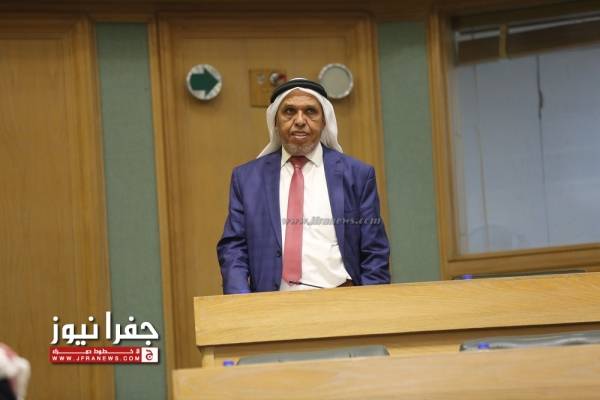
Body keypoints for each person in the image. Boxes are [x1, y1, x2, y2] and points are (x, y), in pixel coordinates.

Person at [217, 78, 390, 294]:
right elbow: (233, 248)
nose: (300, 120)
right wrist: (240, 302)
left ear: (324, 121)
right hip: (271, 304)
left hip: (340, 300)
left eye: (310, 111)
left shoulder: (356, 175)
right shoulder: (247, 178)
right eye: (289, 111)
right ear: (275, 121)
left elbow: (375, 251)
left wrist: (370, 303)